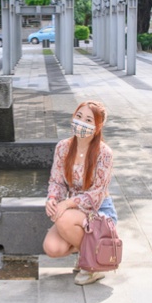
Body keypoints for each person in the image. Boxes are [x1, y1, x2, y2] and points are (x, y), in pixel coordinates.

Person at [43, 99, 117, 285]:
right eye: (79, 116)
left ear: (98, 127)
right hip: (74, 211)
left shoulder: (104, 153)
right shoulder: (63, 147)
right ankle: (87, 253)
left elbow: (97, 193)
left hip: (99, 211)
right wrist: (52, 199)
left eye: (89, 120)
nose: (81, 123)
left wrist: (67, 203)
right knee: (52, 248)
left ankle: (93, 266)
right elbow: (57, 181)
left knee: (64, 218)